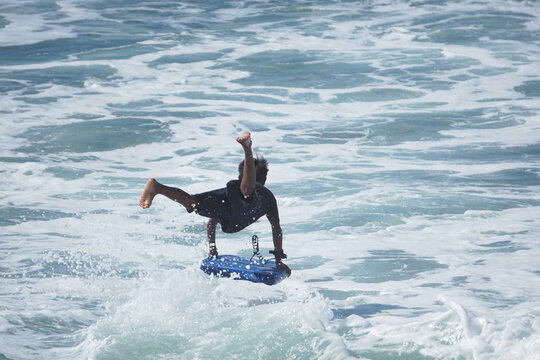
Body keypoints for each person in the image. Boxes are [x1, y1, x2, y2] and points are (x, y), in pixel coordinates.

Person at [138, 132, 290, 272]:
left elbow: (211, 223)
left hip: (229, 199)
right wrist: (278, 260)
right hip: (240, 197)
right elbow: (276, 228)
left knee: (192, 202)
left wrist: (213, 249)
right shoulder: (266, 196)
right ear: (264, 180)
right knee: (247, 192)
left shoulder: (232, 206)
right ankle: (247, 148)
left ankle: (158, 188)